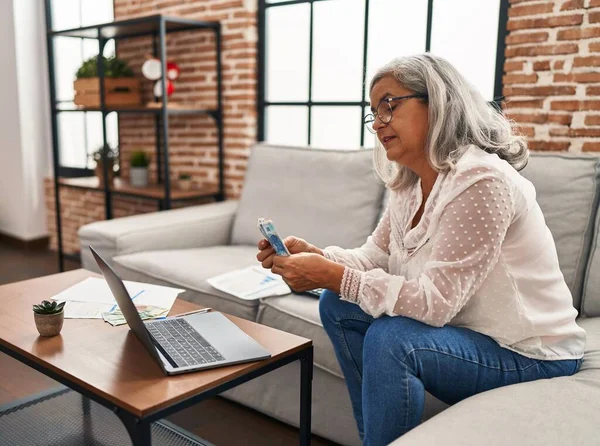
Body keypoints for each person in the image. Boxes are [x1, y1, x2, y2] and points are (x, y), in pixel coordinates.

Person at [256, 53, 585, 446]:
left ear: (439, 101)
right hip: (469, 336)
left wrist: (335, 275)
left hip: (530, 353)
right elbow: (373, 258)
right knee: (337, 303)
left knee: (392, 338)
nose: (377, 122)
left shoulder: (482, 181)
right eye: (373, 112)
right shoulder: (411, 182)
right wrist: (322, 259)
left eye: (389, 106)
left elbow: (436, 303)